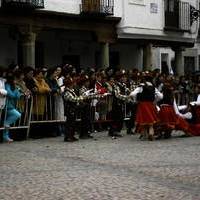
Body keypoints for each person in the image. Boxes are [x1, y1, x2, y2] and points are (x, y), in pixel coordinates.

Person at [130, 72, 163, 141]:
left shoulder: (141, 86)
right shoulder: (153, 87)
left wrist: (136, 100)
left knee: (143, 121)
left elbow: (132, 94)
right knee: (151, 123)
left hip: (142, 105)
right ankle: (151, 134)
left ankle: (144, 136)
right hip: (150, 104)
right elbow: (160, 96)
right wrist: (155, 101)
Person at [3, 73, 21, 143]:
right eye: (15, 79)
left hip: (11, 105)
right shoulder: (7, 85)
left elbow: (18, 96)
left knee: (8, 122)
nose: (16, 80)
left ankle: (5, 136)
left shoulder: (14, 86)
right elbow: (10, 94)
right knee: (17, 114)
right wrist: (16, 92)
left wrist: (16, 91)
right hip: (6, 106)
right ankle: (6, 124)